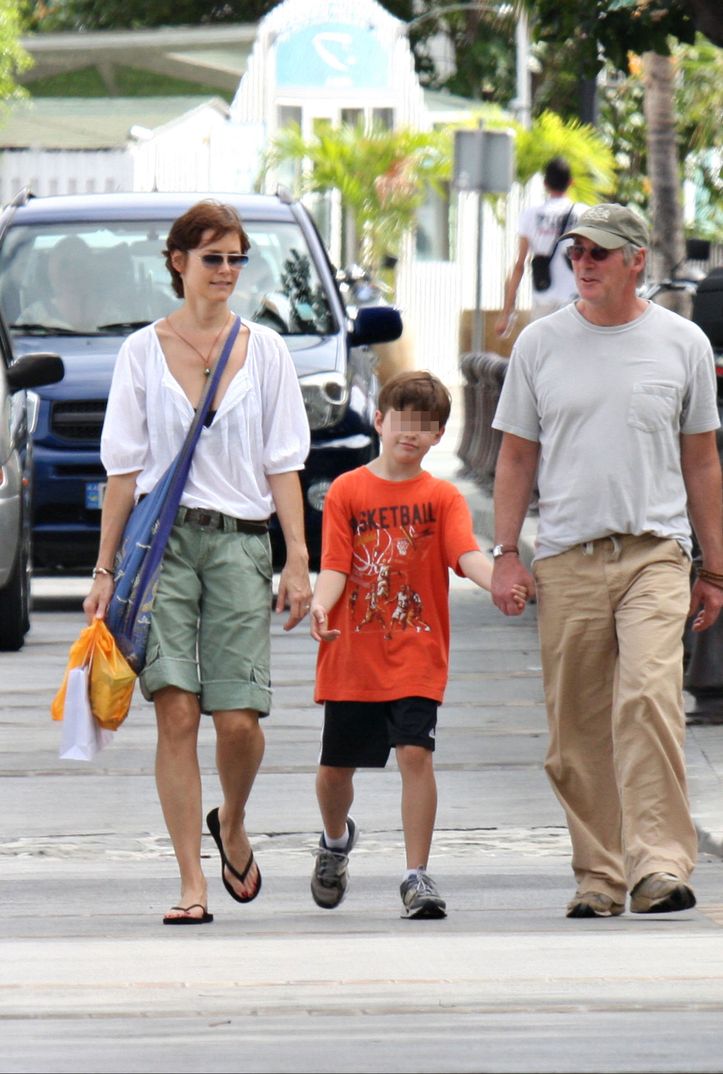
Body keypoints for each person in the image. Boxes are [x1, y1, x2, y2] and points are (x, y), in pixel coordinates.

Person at [491, 203, 723, 918]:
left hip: (654, 552)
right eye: (575, 251)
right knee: (576, 725)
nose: (583, 262)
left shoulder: (680, 343)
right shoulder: (539, 345)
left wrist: (713, 567)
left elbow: (701, 461)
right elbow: (515, 454)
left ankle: (657, 864)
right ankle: (598, 874)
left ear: (634, 261)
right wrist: (504, 555)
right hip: (566, 555)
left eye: (599, 251)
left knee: (648, 698)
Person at [83, 199, 312, 925]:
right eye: (211, 257)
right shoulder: (140, 352)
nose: (224, 271)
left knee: (238, 720)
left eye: (235, 258)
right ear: (177, 262)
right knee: (176, 710)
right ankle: (191, 883)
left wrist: (298, 559)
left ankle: (233, 822)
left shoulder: (267, 351)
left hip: (242, 541)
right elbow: (123, 468)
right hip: (164, 551)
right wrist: (103, 569)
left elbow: (285, 464)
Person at [308, 370, 527, 919]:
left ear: (439, 436)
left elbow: (465, 554)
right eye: (403, 419)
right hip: (352, 653)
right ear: (380, 421)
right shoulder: (347, 491)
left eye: (426, 425)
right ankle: (336, 842)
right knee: (336, 770)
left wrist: (497, 581)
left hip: (416, 652)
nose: (412, 432)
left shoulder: (442, 497)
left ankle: (416, 876)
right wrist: (319, 601)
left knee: (416, 754)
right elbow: (335, 564)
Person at [495, 157, 582, 338]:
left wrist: (506, 314)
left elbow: (520, 265)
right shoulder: (583, 213)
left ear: (545, 184)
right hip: (576, 298)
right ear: (571, 183)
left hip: (543, 297)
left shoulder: (531, 215)